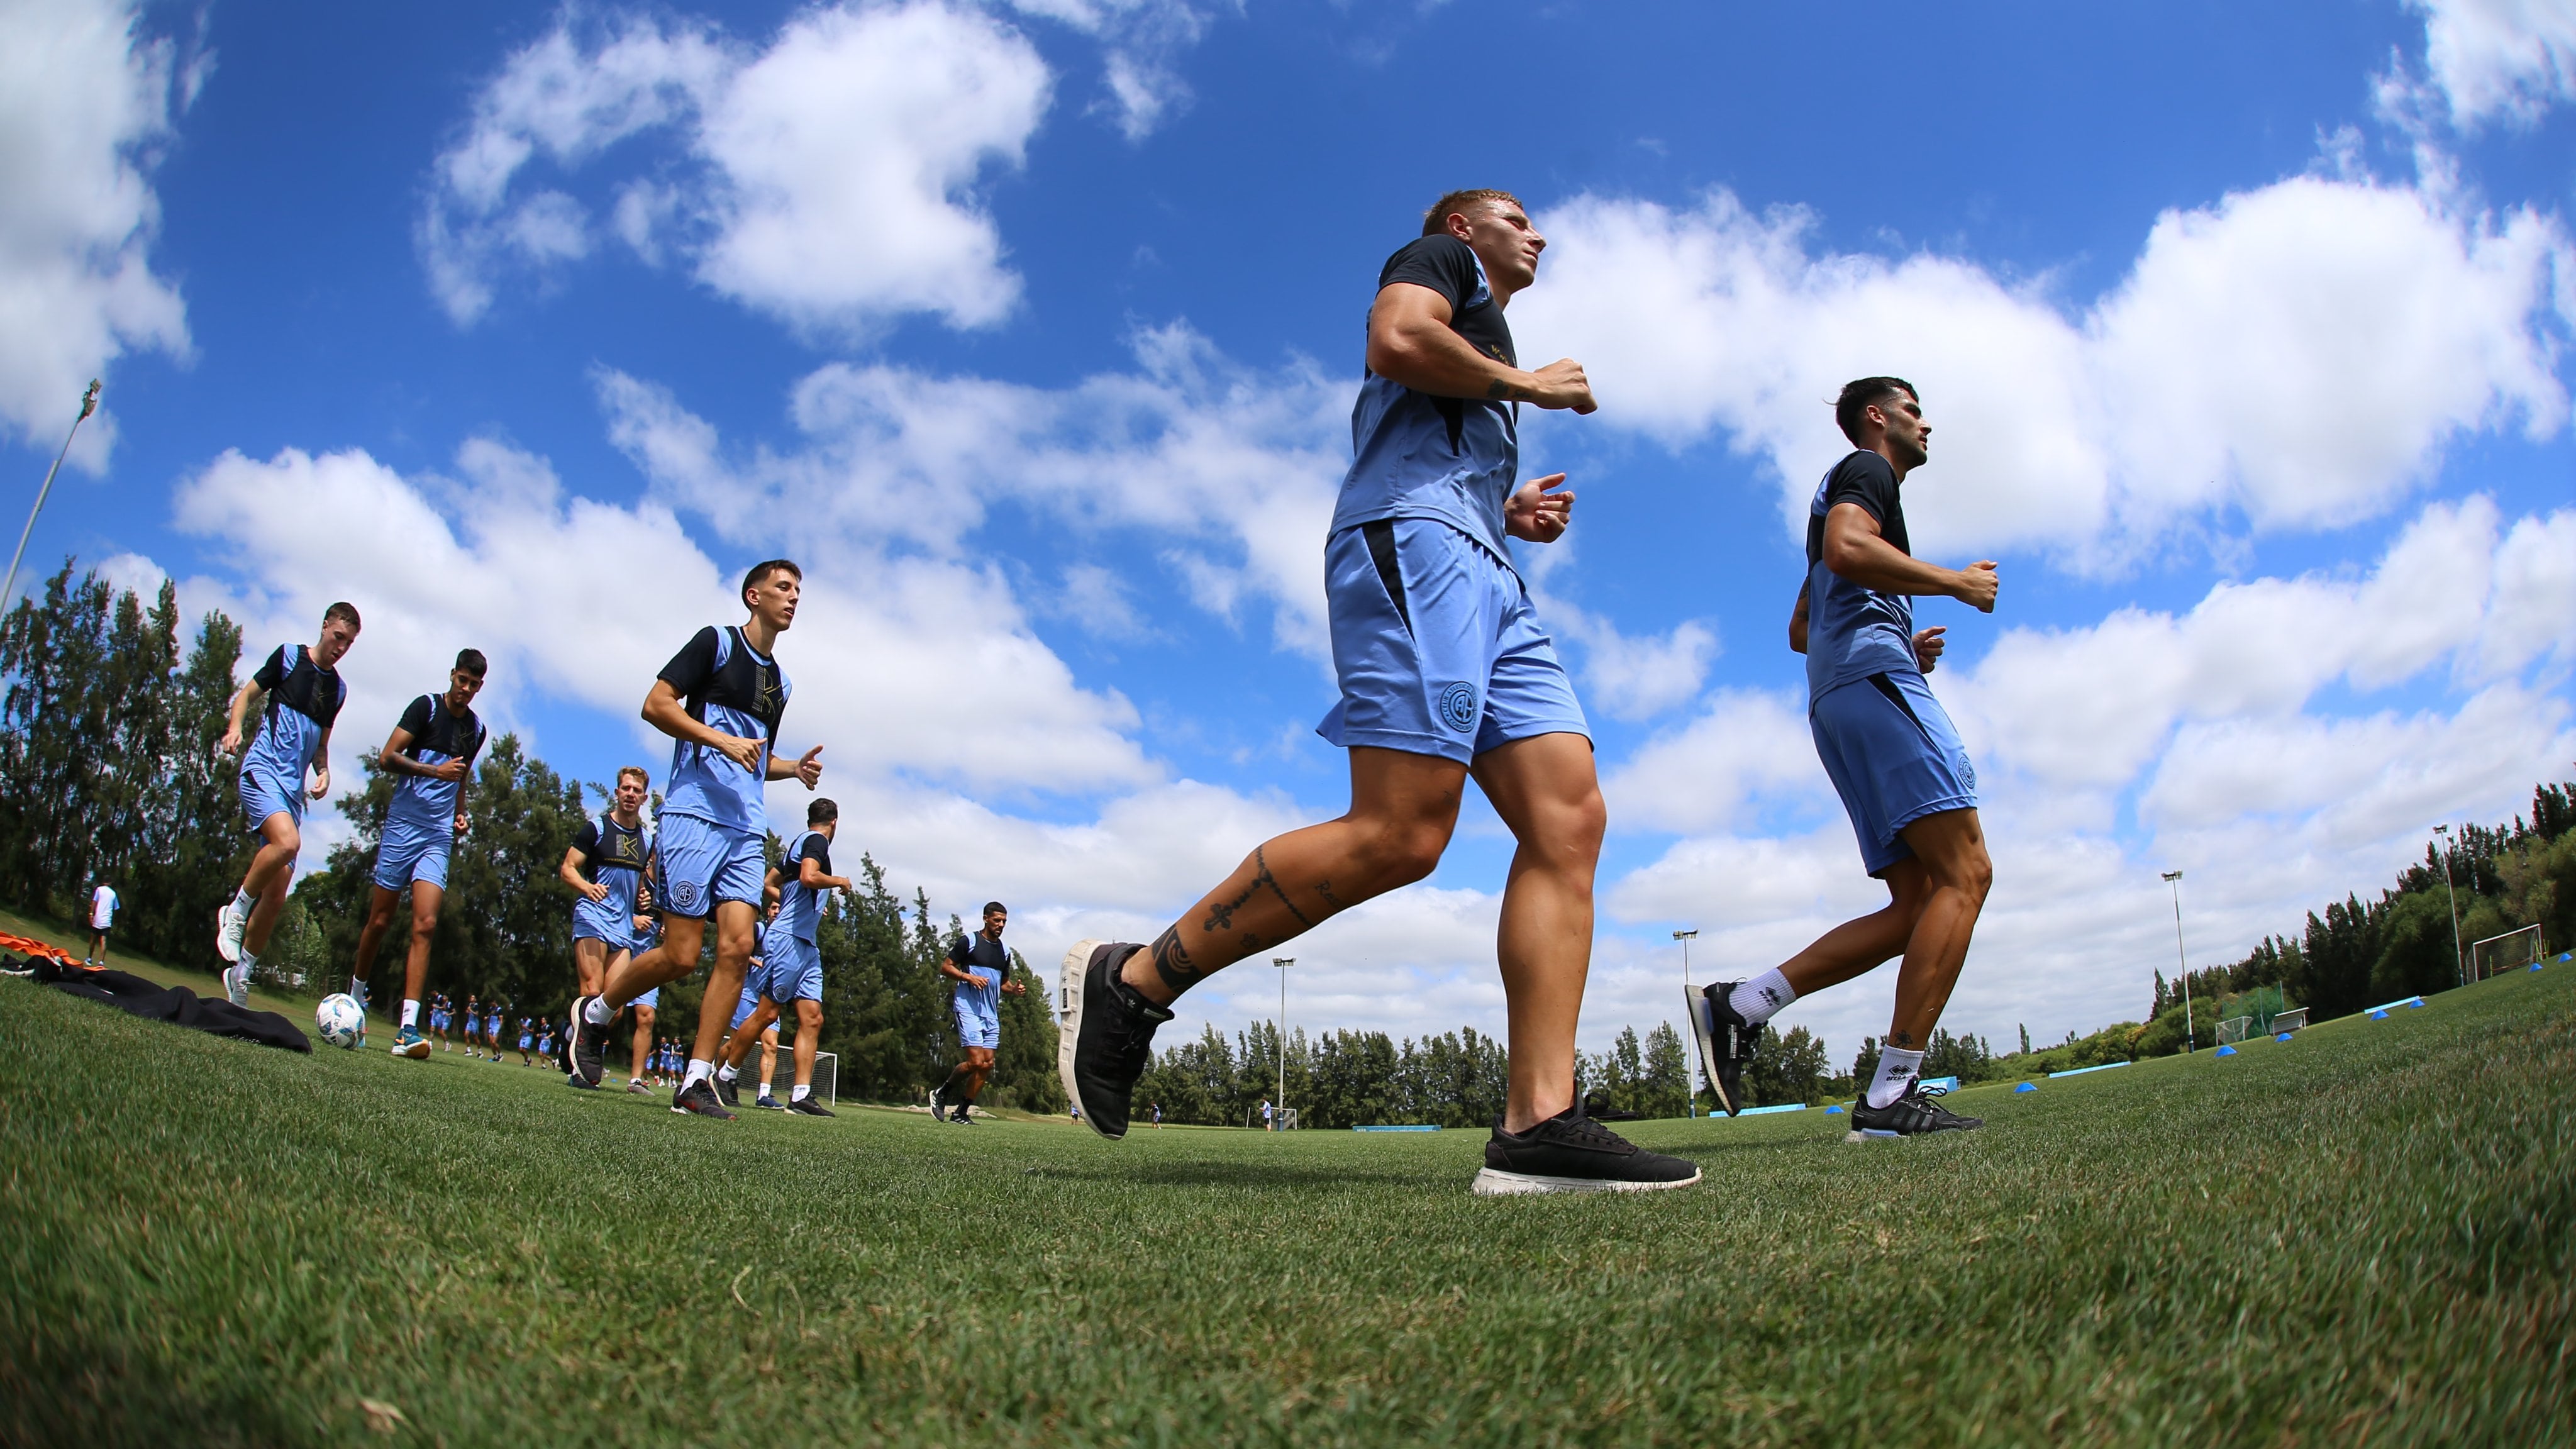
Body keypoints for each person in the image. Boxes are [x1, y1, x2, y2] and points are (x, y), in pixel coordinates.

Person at [1055, 190, 1699, 1195]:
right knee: (1402, 833)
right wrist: (1527, 384)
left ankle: (1540, 1122)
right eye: (1515, 218)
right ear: (1463, 230)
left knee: (1570, 821)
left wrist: (1506, 503)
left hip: (1486, 566)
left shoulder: (1479, 339)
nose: (1537, 235)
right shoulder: (1438, 266)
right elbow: (1398, 341)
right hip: (1418, 548)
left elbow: (1430, 421)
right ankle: (1133, 982)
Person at [1689, 377, 1996, 1140]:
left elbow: (1801, 626)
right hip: (1872, 687)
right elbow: (1848, 549)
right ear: (1876, 418)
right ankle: (1891, 1100)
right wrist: (1953, 584)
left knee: (1920, 903)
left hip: (1840, 697)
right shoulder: (1869, 472)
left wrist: (1896, 640)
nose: (1926, 424)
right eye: (1914, 411)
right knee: (1967, 875)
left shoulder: (1839, 496)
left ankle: (1743, 1004)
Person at [565, 558, 826, 1119]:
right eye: (784, 588)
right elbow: (655, 704)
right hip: (693, 816)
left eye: (799, 591)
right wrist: (718, 740)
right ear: (753, 596)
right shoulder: (716, 644)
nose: (793, 598)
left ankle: (696, 1079)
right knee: (682, 956)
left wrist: (792, 769)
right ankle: (594, 1015)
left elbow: (754, 759)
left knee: (737, 949)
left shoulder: (781, 682)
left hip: (745, 829)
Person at [214, 602, 360, 1006]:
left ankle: (240, 976)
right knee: (288, 845)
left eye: (348, 644)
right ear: (325, 626)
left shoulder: (339, 691)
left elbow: (322, 746)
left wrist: (325, 772)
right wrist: (234, 727)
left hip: (292, 795)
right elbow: (245, 696)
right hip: (262, 772)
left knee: (278, 893)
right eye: (337, 638)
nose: (341, 648)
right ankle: (235, 911)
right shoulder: (288, 658)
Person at [349, 650, 489, 1059]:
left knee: (425, 924)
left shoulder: (476, 730)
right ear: (453, 676)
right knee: (379, 920)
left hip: (437, 835)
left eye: (474, 685)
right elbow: (387, 757)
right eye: (462, 680)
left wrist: (460, 814)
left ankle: (407, 1029)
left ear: (481, 687)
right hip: (403, 826)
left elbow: (460, 777)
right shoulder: (425, 708)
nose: (466, 690)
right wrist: (434, 772)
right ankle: (356, 999)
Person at [716, 800, 850, 1118]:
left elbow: (769, 884)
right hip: (788, 941)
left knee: (813, 1018)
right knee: (767, 1013)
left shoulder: (799, 844)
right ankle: (725, 1074)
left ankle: (801, 1094)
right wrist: (838, 881)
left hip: (807, 945)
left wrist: (810, 902)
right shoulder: (816, 840)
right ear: (835, 822)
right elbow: (808, 876)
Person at [560, 765, 656, 1092]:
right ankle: (582, 1069)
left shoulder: (647, 840)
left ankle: (570, 1036)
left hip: (622, 928)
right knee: (592, 991)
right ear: (617, 793)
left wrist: (643, 894)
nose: (630, 794)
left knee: (612, 1007)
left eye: (636, 790)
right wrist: (587, 888)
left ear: (644, 798)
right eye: (625, 789)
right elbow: (568, 868)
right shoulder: (597, 829)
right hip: (592, 916)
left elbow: (640, 882)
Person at [933, 901, 1023, 1124]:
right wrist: (968, 977)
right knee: (975, 1062)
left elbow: (1002, 983)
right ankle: (941, 1093)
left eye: (1004, 921)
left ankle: (961, 1113)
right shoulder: (969, 942)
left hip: (991, 1014)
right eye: (997, 920)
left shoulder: (1004, 951)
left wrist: (1013, 989)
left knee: (987, 1064)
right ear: (985, 919)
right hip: (968, 1008)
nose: (1001, 925)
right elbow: (946, 967)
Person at [715, 910, 786, 1111]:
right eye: (773, 907)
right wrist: (760, 963)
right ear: (768, 911)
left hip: (769, 997)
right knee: (735, 1044)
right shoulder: (759, 930)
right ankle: (716, 1075)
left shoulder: (785, 937)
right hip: (747, 996)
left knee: (771, 1045)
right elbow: (738, 952)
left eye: (780, 907)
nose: (777, 911)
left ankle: (764, 1094)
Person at [85, 876, 117, 967]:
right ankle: (101, 961)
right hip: (107, 920)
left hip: (98, 918)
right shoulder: (113, 894)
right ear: (110, 882)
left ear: (103, 882)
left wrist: (91, 913)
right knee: (104, 940)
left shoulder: (99, 890)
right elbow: (116, 907)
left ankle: (90, 958)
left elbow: (94, 901)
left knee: (93, 938)